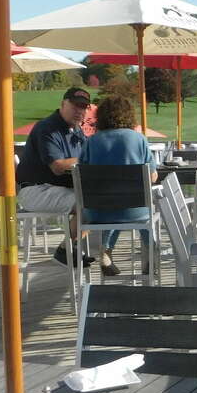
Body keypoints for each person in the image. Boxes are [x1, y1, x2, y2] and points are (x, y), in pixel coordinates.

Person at [76, 94, 157, 277]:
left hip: (97, 213)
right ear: (129, 116)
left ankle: (106, 251)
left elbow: (82, 175)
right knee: (139, 205)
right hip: (135, 212)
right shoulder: (139, 139)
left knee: (113, 202)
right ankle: (151, 251)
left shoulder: (92, 142)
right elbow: (151, 177)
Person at [15, 86, 93, 267]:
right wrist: (91, 158)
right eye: (75, 106)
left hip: (60, 188)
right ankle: (65, 250)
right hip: (35, 190)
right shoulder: (47, 128)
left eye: (83, 107)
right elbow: (57, 166)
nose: (79, 111)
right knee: (90, 206)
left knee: (100, 201)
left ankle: (68, 248)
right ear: (62, 104)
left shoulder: (77, 131)